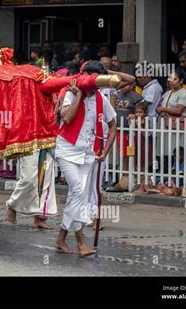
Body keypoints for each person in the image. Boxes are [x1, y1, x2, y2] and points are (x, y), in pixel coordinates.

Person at [54, 63, 119, 257]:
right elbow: (66, 118)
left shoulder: (101, 98)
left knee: (77, 194)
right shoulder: (68, 93)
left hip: (89, 153)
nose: (96, 86)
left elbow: (113, 125)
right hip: (67, 150)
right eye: (94, 80)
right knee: (79, 191)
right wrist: (80, 95)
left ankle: (61, 238)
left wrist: (105, 151)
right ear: (84, 76)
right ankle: (81, 243)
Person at [5, 148, 58, 229]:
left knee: (44, 180)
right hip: (28, 143)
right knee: (27, 180)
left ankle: (39, 218)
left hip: (47, 142)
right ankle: (12, 204)